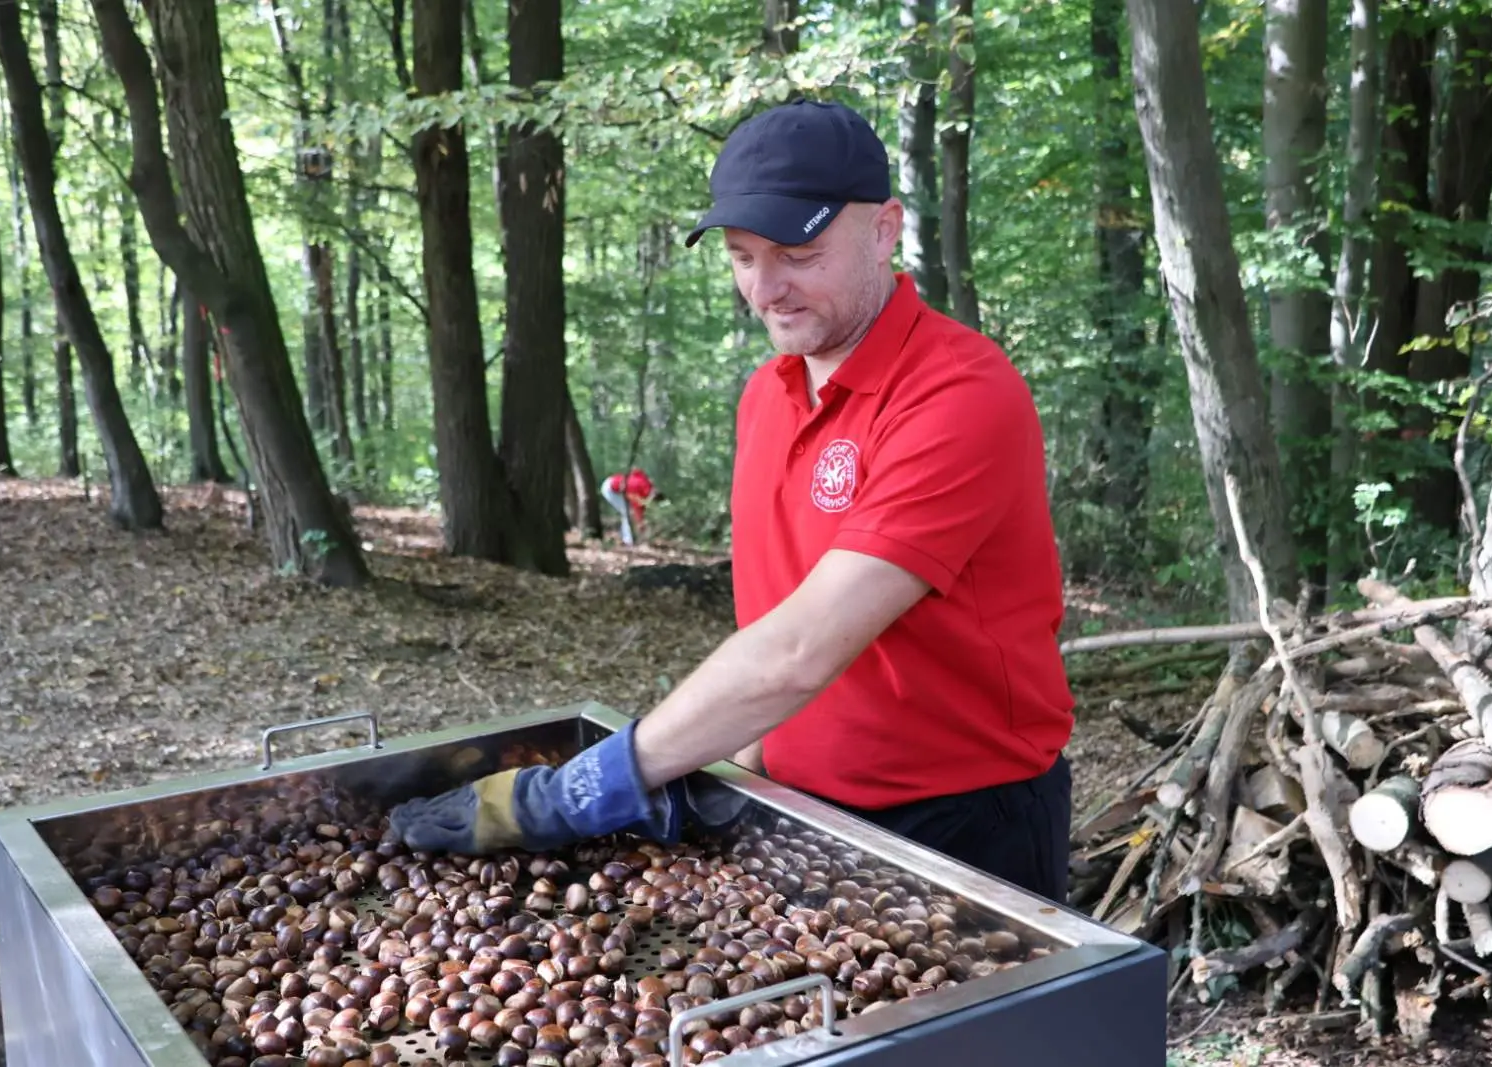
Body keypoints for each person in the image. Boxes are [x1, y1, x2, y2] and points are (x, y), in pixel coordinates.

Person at [389, 98, 1076, 904]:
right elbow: (771, 620)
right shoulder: (767, 395)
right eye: (744, 257)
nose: (766, 289)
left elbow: (800, 650)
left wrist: (582, 788)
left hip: (962, 821)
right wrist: (725, 772)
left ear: (885, 229)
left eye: (797, 252)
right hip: (799, 808)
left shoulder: (958, 394)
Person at [601, 467, 656, 545]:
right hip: (610, 489)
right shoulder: (637, 489)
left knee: (628, 512)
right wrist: (640, 522)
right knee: (627, 513)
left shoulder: (644, 482)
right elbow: (637, 506)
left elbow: (641, 505)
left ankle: (625, 536)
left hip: (613, 482)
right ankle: (628, 540)